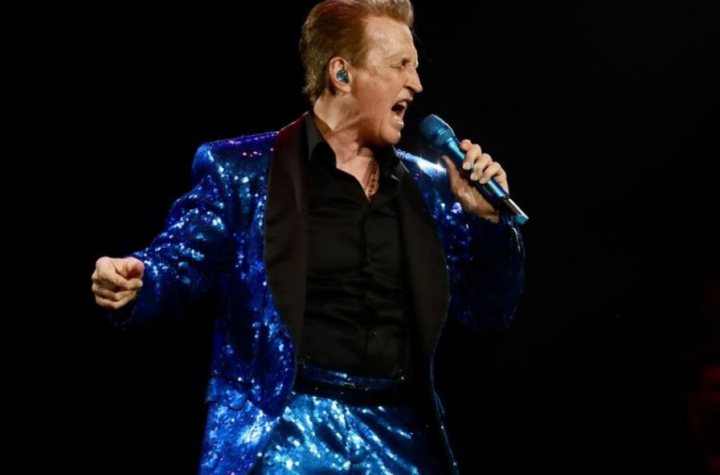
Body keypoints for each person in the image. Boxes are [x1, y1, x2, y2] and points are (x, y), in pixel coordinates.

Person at [91, 1, 524, 474]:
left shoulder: (432, 187)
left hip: (399, 437)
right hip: (284, 430)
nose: (416, 84)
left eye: (415, 67)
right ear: (342, 74)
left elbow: (489, 309)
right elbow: (179, 259)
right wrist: (140, 279)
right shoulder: (244, 172)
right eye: (401, 65)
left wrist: (488, 223)